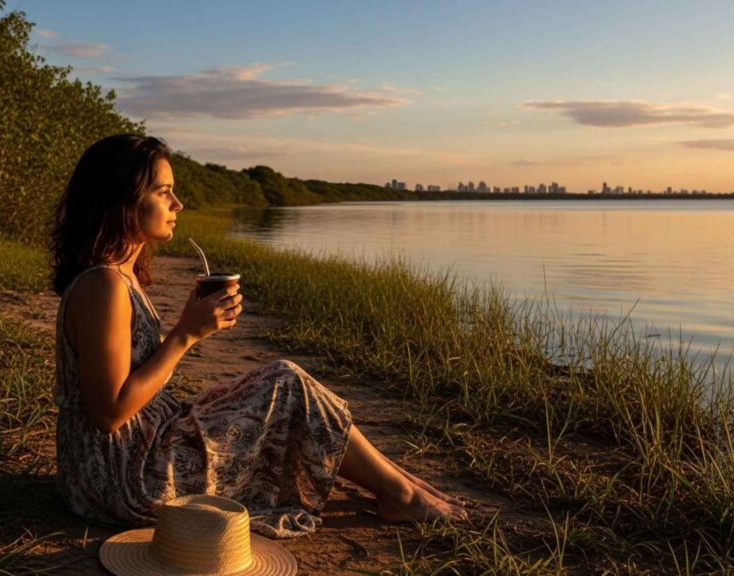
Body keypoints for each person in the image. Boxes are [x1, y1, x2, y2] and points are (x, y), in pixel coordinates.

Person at [48, 134, 467, 538]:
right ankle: (403, 494)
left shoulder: (120, 277)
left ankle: (403, 485)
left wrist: (188, 326)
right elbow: (109, 412)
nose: (178, 203)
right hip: (124, 481)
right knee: (286, 384)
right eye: (163, 192)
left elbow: (127, 376)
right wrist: (185, 334)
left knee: (277, 384)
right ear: (122, 200)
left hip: (119, 463)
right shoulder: (103, 285)